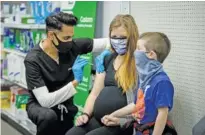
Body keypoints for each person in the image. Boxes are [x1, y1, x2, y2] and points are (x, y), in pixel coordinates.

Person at [24, 12, 111, 135]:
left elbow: (111, 41)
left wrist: (105, 54)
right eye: (66, 38)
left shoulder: (73, 46)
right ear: (51, 35)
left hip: (66, 106)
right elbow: (46, 101)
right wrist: (75, 82)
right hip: (40, 105)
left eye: (71, 36)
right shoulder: (33, 60)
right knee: (48, 117)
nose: (70, 42)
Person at [65, 14, 139, 135]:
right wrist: (86, 114)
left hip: (122, 122)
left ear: (132, 37)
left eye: (122, 37)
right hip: (98, 119)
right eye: (114, 37)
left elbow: (141, 103)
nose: (118, 41)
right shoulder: (107, 59)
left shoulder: (138, 63)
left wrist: (121, 120)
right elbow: (94, 94)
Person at [102, 32, 177, 135]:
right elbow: (136, 105)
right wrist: (114, 115)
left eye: (138, 48)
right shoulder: (145, 79)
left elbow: (162, 114)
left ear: (150, 54)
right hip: (139, 130)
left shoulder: (161, 82)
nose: (135, 52)